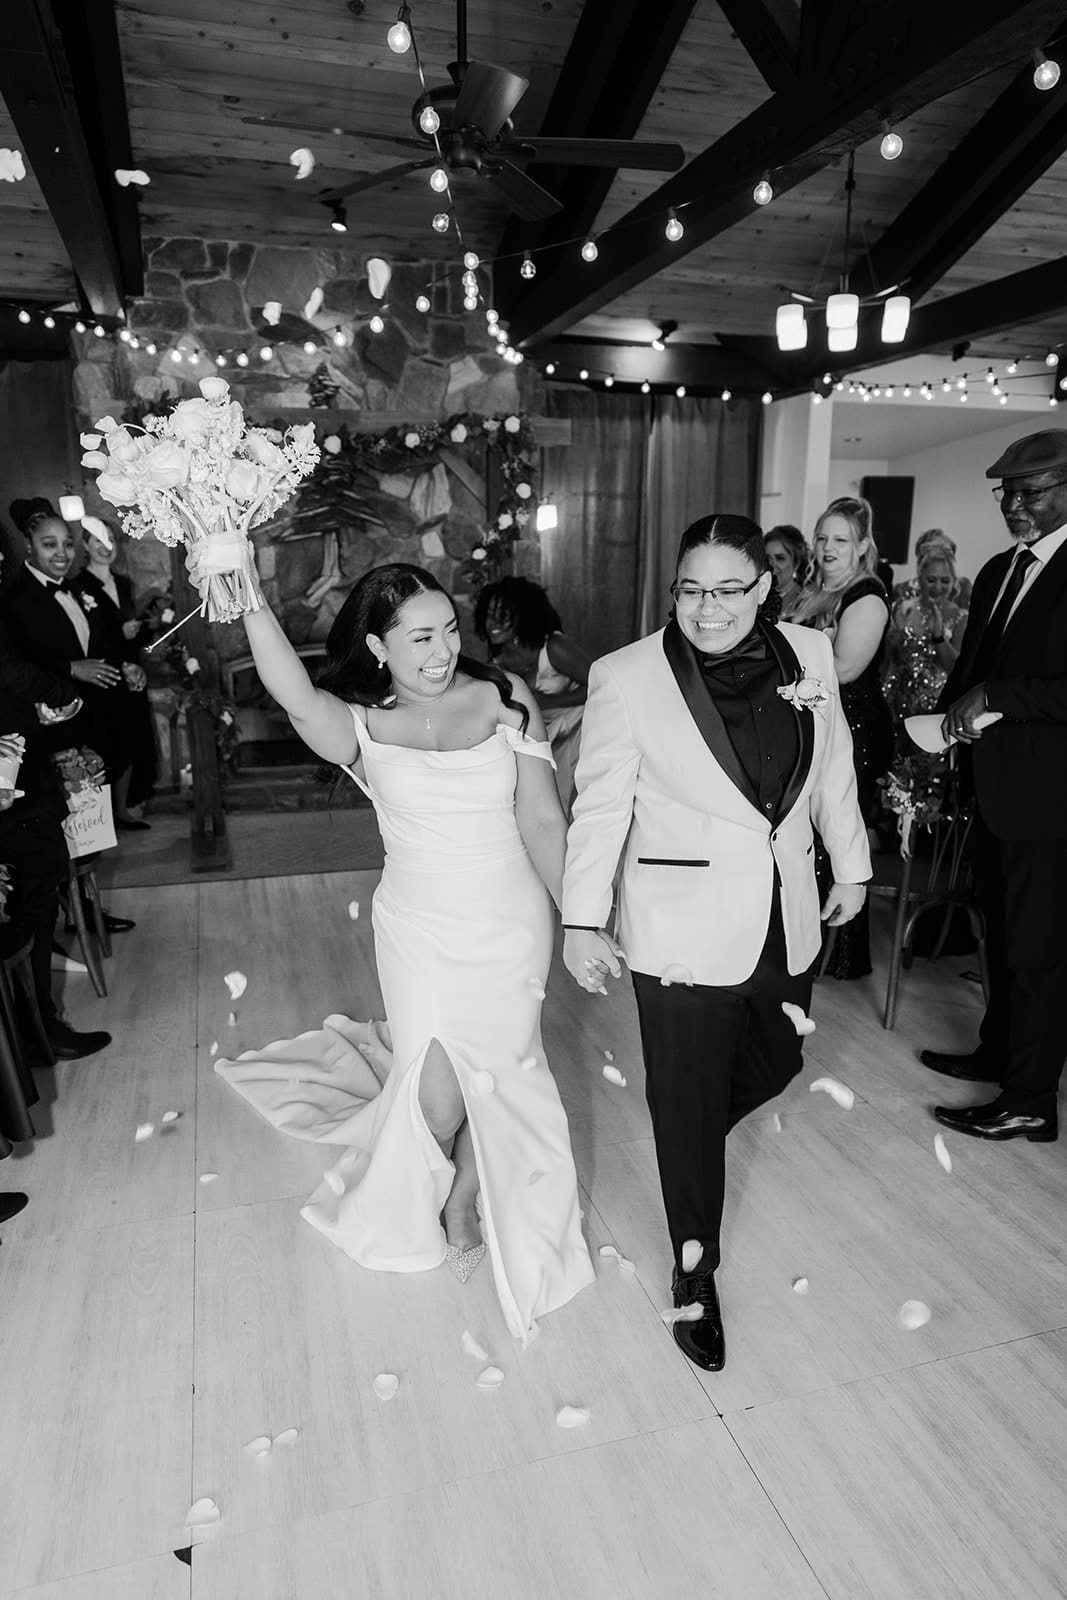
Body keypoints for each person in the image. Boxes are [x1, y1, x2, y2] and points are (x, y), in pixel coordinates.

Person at [213, 562, 594, 1343]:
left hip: (509, 922)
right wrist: (243, 581)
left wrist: (581, 920)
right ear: (378, 646)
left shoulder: (504, 698)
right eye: (420, 637)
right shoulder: (356, 723)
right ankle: (447, 1180)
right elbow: (290, 689)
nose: (442, 651)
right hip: (417, 927)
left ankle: (462, 1198)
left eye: (449, 630)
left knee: (504, 1073)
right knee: (436, 1093)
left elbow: (542, 820)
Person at [560, 514, 870, 1373]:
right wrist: (581, 919)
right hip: (678, 924)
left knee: (779, 1062)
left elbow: (833, 766)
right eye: (689, 589)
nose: (705, 608)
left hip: (785, 909)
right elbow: (599, 806)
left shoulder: (808, 654)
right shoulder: (624, 676)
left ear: (763, 588)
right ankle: (695, 1273)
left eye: (727, 589)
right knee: (691, 1097)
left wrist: (851, 866)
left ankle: (681, 1131)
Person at [921, 431, 1067, 1145]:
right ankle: (996, 1054)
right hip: (990, 789)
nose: (1012, 503)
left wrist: (996, 694)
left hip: (1049, 799)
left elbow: (1014, 686)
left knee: (1040, 953)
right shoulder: (1000, 568)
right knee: (1002, 937)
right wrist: (931, 736)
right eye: (1004, 491)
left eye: (1029, 490)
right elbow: (970, 672)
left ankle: (1031, 1098)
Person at [1, 502, 135, 939]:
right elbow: (18, 669)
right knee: (61, 829)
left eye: (66, 543)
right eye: (49, 544)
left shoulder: (78, 589)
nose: (61, 553)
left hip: (90, 722)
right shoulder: (14, 598)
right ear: (28, 545)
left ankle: (84, 910)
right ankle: (57, 915)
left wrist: (123, 664)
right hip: (50, 731)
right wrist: (71, 669)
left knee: (89, 826)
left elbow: (102, 642)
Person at [0, 622, 112, 1061]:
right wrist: (61, 694)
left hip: (16, 775)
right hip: (16, 795)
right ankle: (36, 1032)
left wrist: (33, 710)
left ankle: (25, 1030)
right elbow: (9, 669)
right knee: (34, 905)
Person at [793, 497, 892, 978]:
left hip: (852, 725)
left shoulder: (866, 596)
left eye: (841, 540)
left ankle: (836, 954)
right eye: (822, 537)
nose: (829, 547)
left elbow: (848, 668)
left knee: (837, 829)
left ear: (863, 547)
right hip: (816, 720)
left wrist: (803, 658)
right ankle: (805, 940)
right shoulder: (811, 590)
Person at [474, 577, 593, 810]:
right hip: (542, 737)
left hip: (579, 733)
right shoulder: (497, 662)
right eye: (489, 614)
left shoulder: (554, 648)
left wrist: (548, 701)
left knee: (568, 803)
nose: (494, 622)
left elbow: (604, 686)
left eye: (504, 614)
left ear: (523, 615)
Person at [70, 516, 158, 826]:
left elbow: (133, 635)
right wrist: (122, 638)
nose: (105, 546)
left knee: (135, 741)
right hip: (103, 676)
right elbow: (88, 639)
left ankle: (123, 808)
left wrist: (148, 626)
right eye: (97, 540)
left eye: (109, 539)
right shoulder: (78, 586)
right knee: (109, 744)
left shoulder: (124, 583)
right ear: (85, 545)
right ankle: (101, 819)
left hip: (132, 674)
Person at [883, 545, 967, 722]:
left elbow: (956, 669)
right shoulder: (902, 608)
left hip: (935, 709)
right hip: (896, 702)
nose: (938, 586)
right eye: (931, 579)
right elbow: (888, 659)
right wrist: (894, 638)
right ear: (920, 579)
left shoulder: (960, 617)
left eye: (945, 581)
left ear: (953, 582)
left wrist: (938, 636)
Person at [764, 525, 809, 619]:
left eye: (780, 558)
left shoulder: (804, 602)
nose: (772, 565)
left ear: (796, 563)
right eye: (767, 558)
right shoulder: (757, 595)